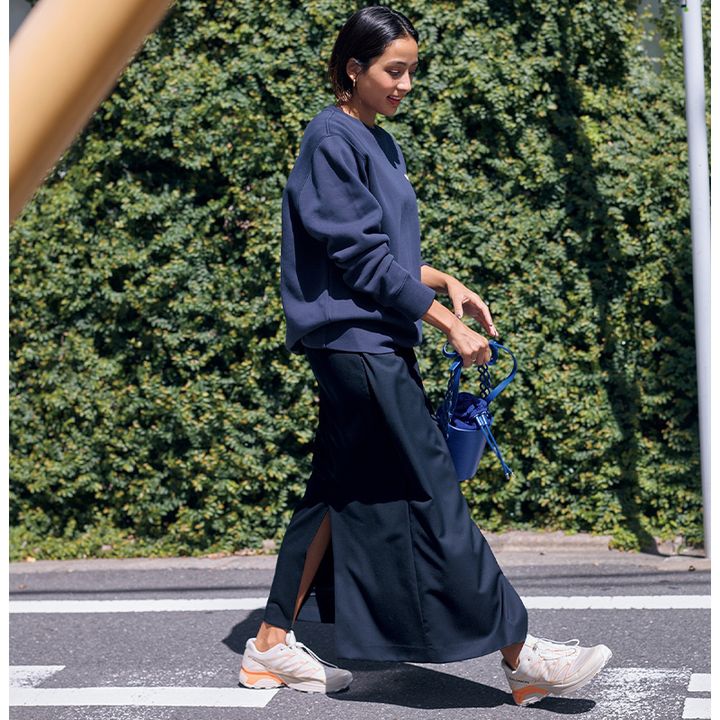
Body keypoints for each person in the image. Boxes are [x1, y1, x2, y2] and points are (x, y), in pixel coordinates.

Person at [239, 5, 612, 707]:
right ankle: (521, 655)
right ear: (354, 69)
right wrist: (447, 325)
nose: (406, 84)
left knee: (333, 492)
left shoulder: (377, 142)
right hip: (358, 344)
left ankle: (268, 645)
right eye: (394, 70)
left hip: (368, 341)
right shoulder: (331, 138)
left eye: (412, 70)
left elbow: (380, 257)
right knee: (433, 488)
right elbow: (357, 260)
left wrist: (443, 281)